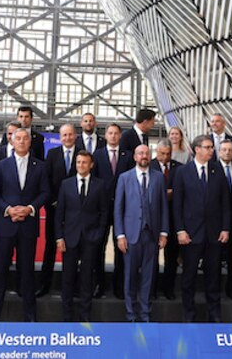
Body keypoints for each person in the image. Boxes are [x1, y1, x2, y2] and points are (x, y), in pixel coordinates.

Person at [0, 127, 50, 322]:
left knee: (27, 272)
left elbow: (45, 193)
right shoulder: (2, 165)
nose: (22, 141)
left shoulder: (40, 166)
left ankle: (30, 316)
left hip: (28, 226)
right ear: (11, 142)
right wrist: (9, 209)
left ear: (30, 142)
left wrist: (30, 208)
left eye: (25, 138)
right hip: (5, 225)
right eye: (18, 138)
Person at [173, 135, 230, 322]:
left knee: (213, 276)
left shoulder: (217, 170)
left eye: (212, 147)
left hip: (214, 234)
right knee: (188, 276)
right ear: (197, 149)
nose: (211, 150)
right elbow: (177, 204)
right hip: (191, 234)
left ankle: (214, 314)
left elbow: (225, 202)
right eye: (207, 147)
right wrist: (180, 230)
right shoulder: (183, 172)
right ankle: (188, 314)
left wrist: (225, 228)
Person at [114, 145, 169, 322]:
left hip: (151, 235)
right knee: (129, 276)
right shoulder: (124, 178)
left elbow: (163, 208)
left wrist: (164, 233)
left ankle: (145, 313)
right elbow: (118, 209)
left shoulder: (159, 178)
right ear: (135, 156)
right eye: (140, 153)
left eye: (146, 153)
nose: (144, 156)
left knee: (148, 276)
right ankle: (131, 314)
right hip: (130, 236)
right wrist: (120, 235)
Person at [56, 151, 109, 322]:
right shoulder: (66, 184)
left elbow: (104, 212)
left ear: (91, 165)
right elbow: (59, 214)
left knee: (87, 278)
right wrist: (59, 237)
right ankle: (66, 315)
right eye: (78, 162)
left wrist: (99, 234)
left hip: (90, 238)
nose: (81, 165)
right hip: (70, 237)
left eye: (84, 162)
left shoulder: (100, 185)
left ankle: (85, 315)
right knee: (67, 277)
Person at [92, 123, 133, 298]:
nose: (113, 136)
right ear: (106, 135)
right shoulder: (98, 154)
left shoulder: (128, 156)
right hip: (101, 208)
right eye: (110, 133)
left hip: (122, 208)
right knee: (98, 247)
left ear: (120, 136)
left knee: (121, 248)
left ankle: (119, 287)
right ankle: (98, 285)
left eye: (116, 133)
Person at [39, 123, 79, 297]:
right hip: (54, 208)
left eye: (70, 134)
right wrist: (52, 201)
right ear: (60, 137)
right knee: (50, 246)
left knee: (74, 249)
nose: (68, 138)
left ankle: (70, 288)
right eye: (64, 135)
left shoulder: (83, 155)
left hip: (76, 212)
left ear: (75, 136)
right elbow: (46, 180)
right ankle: (44, 284)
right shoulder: (52, 154)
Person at [150, 138, 181, 300]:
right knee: (152, 256)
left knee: (172, 257)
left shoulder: (179, 168)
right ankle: (152, 289)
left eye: (168, 154)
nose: (165, 157)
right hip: (154, 218)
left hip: (173, 219)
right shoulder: (149, 166)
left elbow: (183, 191)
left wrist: (173, 193)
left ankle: (168, 289)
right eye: (162, 153)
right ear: (157, 152)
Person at [217, 138, 232, 302]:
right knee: (215, 258)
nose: (227, 153)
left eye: (230, 150)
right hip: (216, 221)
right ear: (219, 151)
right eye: (224, 150)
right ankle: (215, 290)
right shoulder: (212, 169)